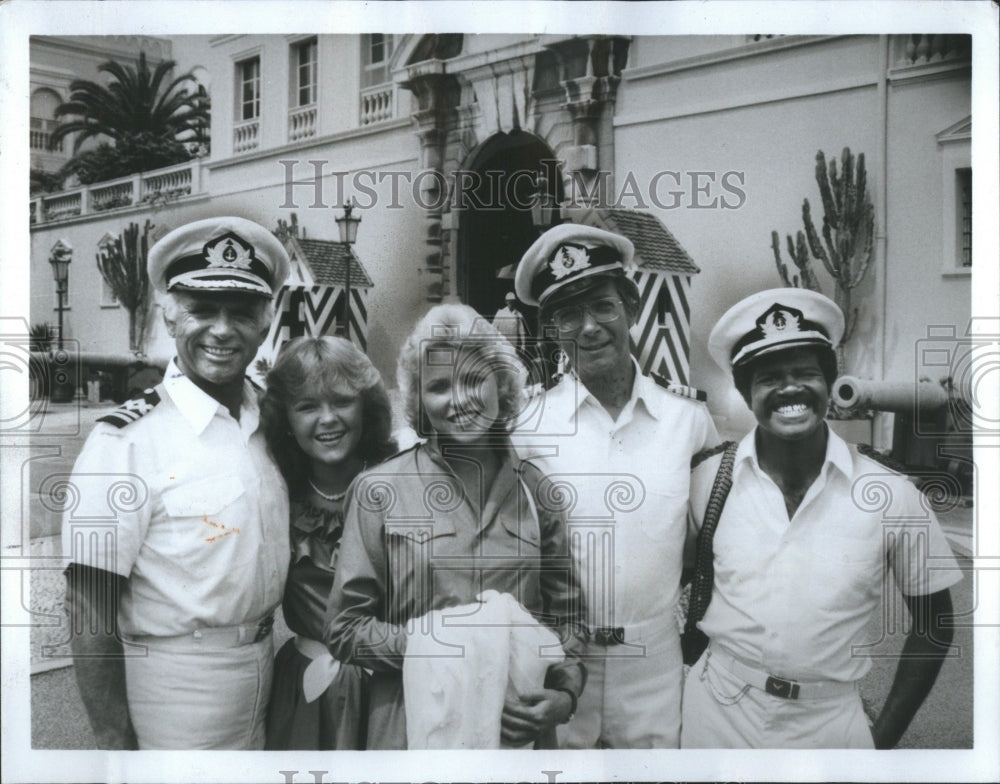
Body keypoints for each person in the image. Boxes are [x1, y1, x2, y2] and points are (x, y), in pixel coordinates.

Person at [680, 288, 961, 749]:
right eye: (769, 377)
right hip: (716, 714)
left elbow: (935, 625)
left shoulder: (891, 494)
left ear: (829, 384)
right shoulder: (709, 479)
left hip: (830, 724)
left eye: (805, 372)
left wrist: (883, 736)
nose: (790, 388)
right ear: (747, 393)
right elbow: (667, 581)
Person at [61, 216, 290, 749]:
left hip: (265, 671)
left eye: (241, 311)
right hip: (175, 688)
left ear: (266, 320)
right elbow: (87, 603)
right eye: (202, 309)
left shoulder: (269, 423)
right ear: (170, 316)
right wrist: (114, 739)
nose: (222, 329)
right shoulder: (125, 441)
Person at [325, 304, 587, 749]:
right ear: (419, 400)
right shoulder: (379, 491)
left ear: (500, 384)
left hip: (515, 726)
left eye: (471, 380)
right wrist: (439, 646)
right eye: (439, 386)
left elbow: (568, 619)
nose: (457, 399)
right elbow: (345, 629)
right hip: (411, 725)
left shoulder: (537, 492)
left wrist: (564, 694)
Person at [510, 223, 719, 748]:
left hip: (655, 663)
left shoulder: (686, 420)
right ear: (552, 329)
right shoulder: (528, 427)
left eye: (602, 306)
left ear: (630, 306)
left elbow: (712, 543)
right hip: (560, 663)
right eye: (568, 315)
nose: (589, 328)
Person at [260, 336, 397, 749]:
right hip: (306, 687)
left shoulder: (400, 480)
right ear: (285, 418)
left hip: (393, 688)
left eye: (341, 401)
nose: (327, 419)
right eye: (306, 406)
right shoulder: (275, 491)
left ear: (366, 407)